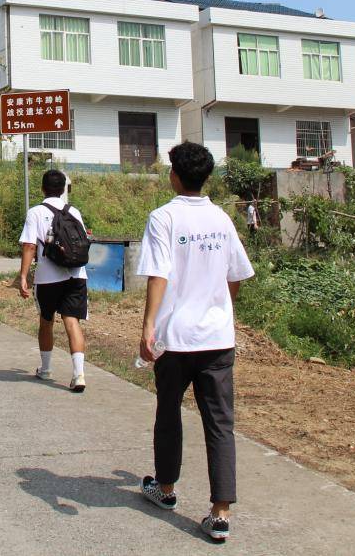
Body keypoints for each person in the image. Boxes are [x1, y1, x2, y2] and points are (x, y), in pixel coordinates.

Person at [136, 141, 254, 542]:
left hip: (177, 338)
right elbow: (236, 274)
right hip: (217, 339)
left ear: (174, 175)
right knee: (220, 423)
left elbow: (158, 274)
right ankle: (220, 512)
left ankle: (165, 488)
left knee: (168, 413)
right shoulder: (221, 219)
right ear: (207, 177)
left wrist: (149, 325)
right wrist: (220, 308)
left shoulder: (163, 218)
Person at [17, 169, 88, 393]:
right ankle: (79, 374)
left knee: (46, 321)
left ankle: (46, 369)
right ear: (63, 189)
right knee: (72, 321)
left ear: (42, 188)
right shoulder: (74, 211)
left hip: (48, 277)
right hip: (76, 274)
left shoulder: (36, 212)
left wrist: (23, 276)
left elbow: (29, 246)